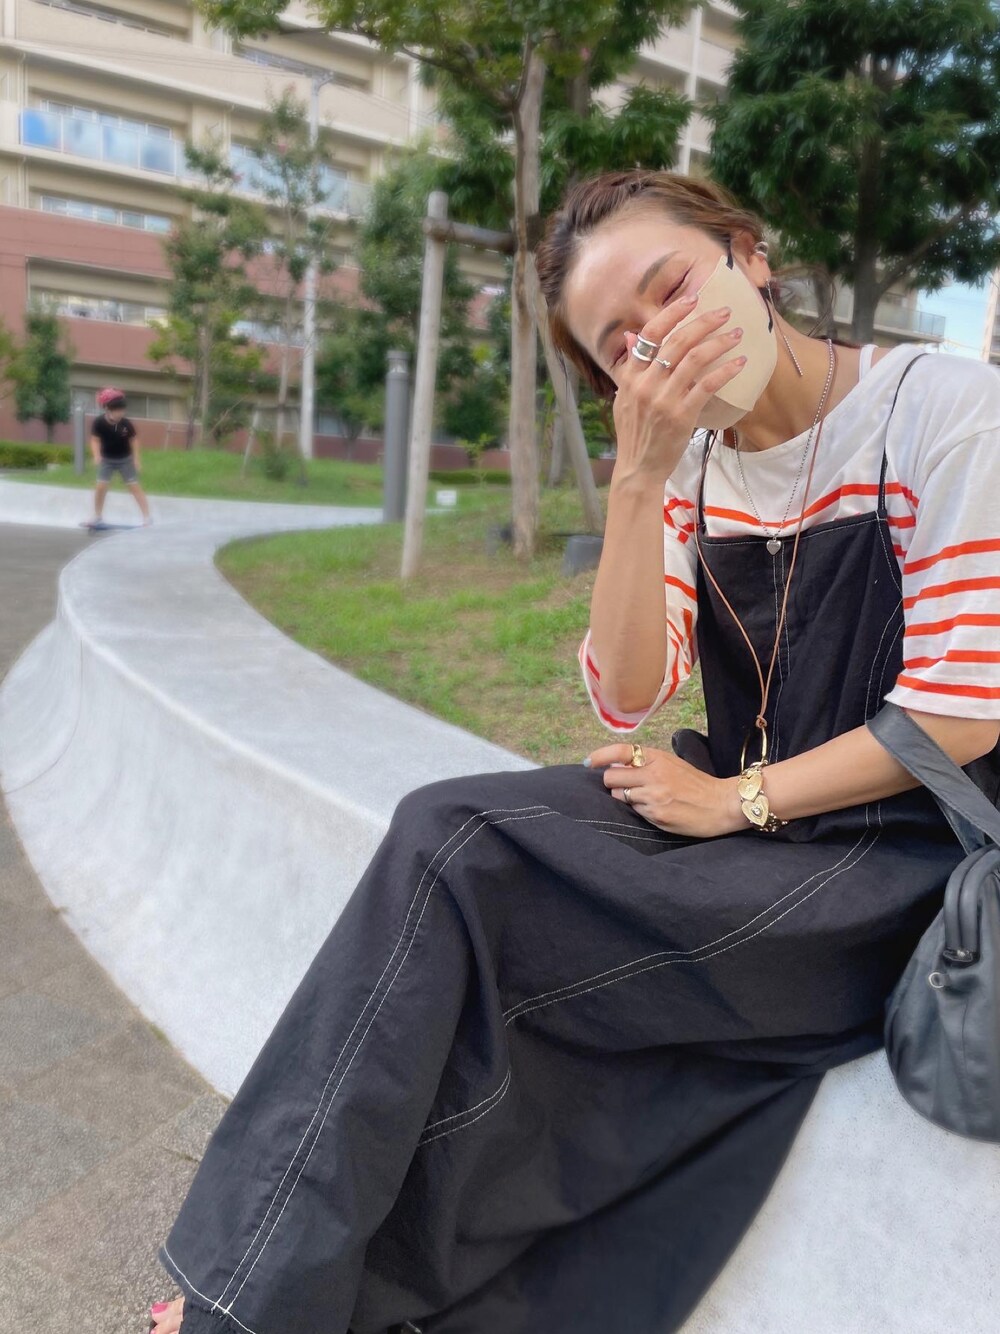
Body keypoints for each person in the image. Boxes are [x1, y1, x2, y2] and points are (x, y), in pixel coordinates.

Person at [148, 170, 1000, 1334]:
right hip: (749, 824)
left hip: (894, 856)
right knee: (447, 835)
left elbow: (957, 712)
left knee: (499, 947)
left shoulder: (941, 405)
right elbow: (628, 687)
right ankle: (257, 1290)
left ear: (749, 256)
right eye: (621, 344)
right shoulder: (692, 468)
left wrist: (736, 801)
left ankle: (247, 1304)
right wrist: (638, 478)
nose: (662, 340)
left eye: (672, 284)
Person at [89, 386, 152, 526]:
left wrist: (136, 459)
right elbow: (95, 440)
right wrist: (96, 455)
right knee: (101, 486)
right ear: (107, 409)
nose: (120, 413)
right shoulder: (99, 423)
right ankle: (97, 516)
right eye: (117, 410)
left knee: (134, 486)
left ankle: (147, 517)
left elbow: (133, 440)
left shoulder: (125, 424)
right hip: (106, 460)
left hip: (125, 459)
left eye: (122, 410)